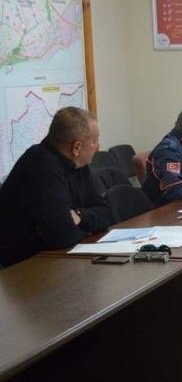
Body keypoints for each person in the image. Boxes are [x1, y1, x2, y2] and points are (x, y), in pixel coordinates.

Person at [0, 107, 113, 267]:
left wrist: (80, 216)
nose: (97, 145)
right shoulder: (40, 165)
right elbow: (62, 236)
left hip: (54, 258)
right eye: (95, 141)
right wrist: (88, 226)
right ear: (76, 147)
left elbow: (107, 213)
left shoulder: (79, 164)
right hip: (21, 266)